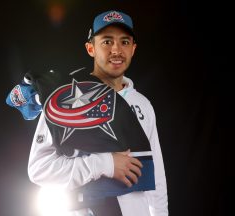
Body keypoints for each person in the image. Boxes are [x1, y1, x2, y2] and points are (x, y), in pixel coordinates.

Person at [25, 10, 168, 216]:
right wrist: (105, 164)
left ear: (133, 49)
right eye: (107, 41)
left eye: (125, 42)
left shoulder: (143, 105)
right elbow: (40, 168)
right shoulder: (64, 96)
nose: (116, 50)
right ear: (90, 48)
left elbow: (157, 178)